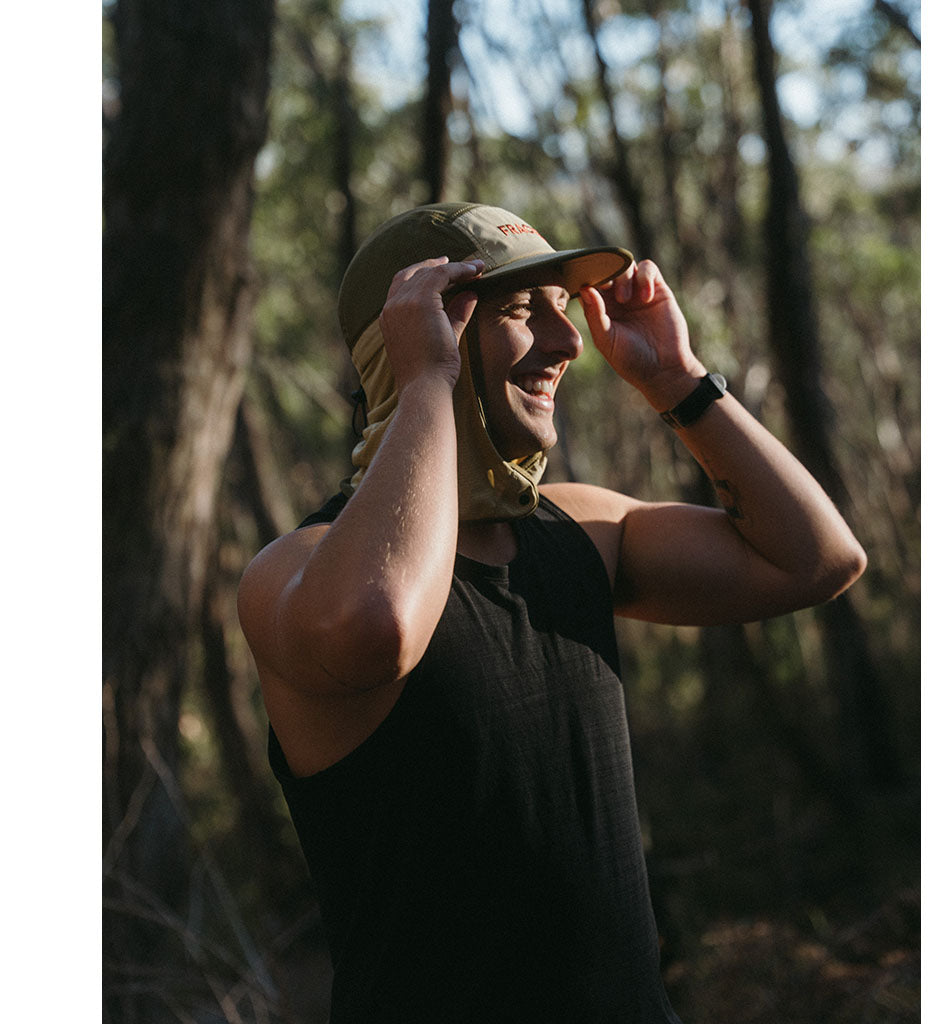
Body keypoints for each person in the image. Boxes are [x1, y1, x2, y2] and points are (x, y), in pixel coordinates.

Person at [237, 202, 866, 1023]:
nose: (568, 342)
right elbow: (380, 626)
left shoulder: (581, 530)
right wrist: (426, 382)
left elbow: (818, 560)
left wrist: (677, 380)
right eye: (519, 310)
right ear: (408, 339)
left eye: (562, 307)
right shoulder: (296, 571)